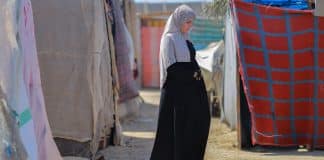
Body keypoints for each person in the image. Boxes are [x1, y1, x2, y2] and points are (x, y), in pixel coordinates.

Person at [150, 5, 211, 160]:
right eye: (187, 22)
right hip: (174, 94)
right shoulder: (168, 39)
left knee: (192, 127)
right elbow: (171, 68)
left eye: (191, 23)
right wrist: (192, 74)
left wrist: (196, 75)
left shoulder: (185, 39)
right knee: (172, 131)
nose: (190, 26)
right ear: (179, 21)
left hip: (187, 92)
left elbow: (191, 62)